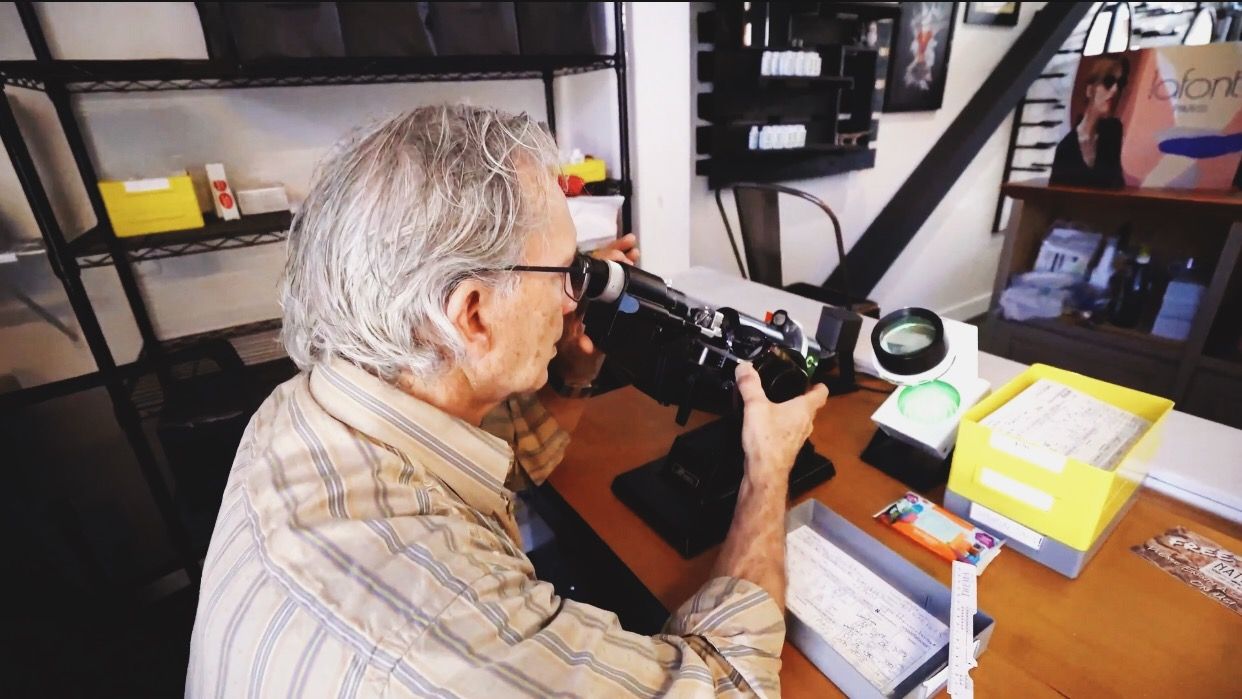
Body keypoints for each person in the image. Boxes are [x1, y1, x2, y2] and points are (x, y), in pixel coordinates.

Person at [186, 105, 829, 698]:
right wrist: (767, 467)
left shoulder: (300, 409)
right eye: (563, 272)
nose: (573, 299)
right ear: (471, 314)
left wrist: (573, 372)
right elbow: (733, 685)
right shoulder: (459, 639)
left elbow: (491, 467)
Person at [1051, 55, 1129, 188]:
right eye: (1108, 82)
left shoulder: (1112, 132)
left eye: (1120, 84)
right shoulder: (1066, 147)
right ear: (1089, 90)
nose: (1115, 90)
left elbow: (1118, 185)